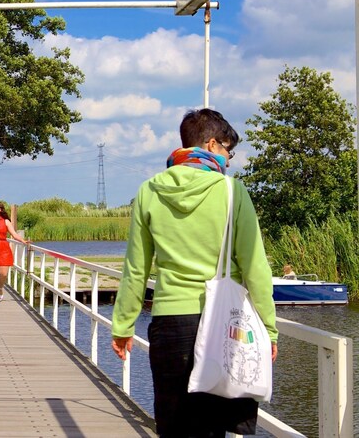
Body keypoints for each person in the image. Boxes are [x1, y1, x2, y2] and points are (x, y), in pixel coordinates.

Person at [110, 108, 278, 437]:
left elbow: (136, 268)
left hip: (170, 323)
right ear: (211, 144)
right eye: (228, 149)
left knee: (173, 428)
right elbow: (255, 267)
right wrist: (269, 330)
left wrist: (123, 325)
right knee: (215, 428)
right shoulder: (232, 192)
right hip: (222, 324)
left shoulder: (149, 190)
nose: (229, 160)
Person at [0, 201, 31, 303]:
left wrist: (23, 241)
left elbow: (14, 234)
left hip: (3, 247)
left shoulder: (6, 222)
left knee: (4, 273)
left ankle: (0, 287)